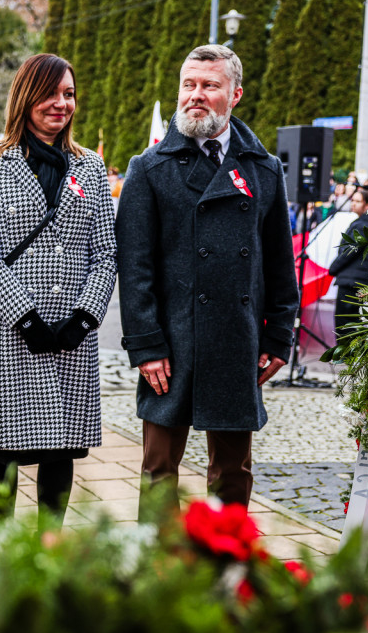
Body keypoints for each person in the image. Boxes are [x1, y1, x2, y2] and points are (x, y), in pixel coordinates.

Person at [115, 45, 298, 515]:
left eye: (209, 85)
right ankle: (159, 571)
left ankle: (226, 567)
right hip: (171, 344)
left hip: (236, 340)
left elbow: (280, 262)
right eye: (189, 85)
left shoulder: (265, 170)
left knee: (232, 472)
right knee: (159, 470)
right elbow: (134, 267)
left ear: (234, 94)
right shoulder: (148, 168)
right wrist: (145, 345)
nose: (196, 95)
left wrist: (279, 337)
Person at [0, 53, 116, 531]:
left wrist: (86, 318)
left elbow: (107, 253)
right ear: (26, 96)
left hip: (72, 336)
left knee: (61, 450)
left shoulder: (89, 166)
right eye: (51, 93)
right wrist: (25, 318)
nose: (61, 103)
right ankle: (2, 554)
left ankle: (49, 549)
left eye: (69, 94)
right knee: (3, 450)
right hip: (10, 336)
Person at [329, 188, 368, 342]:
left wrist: (333, 268)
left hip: (352, 283)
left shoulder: (364, 224)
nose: (353, 204)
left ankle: (347, 361)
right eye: (352, 200)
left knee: (346, 328)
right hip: (367, 282)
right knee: (359, 327)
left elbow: (350, 250)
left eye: (358, 201)